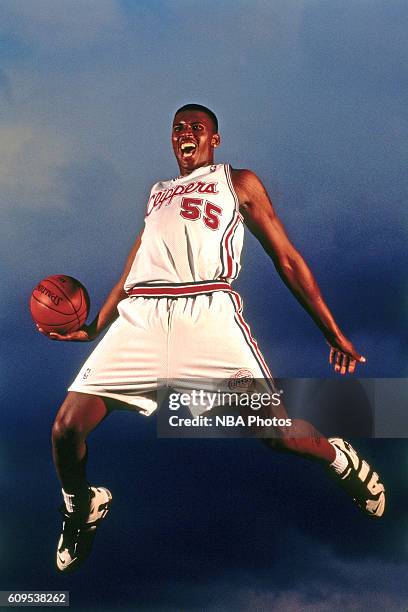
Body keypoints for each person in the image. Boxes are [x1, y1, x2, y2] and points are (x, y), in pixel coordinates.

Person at [39, 103, 385, 573]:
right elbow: (134, 269)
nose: (185, 133)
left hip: (207, 312)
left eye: (195, 127)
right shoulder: (157, 193)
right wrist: (94, 327)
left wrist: (334, 332)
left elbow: (286, 258)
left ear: (214, 139)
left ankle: (340, 459)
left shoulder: (236, 181)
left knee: (277, 434)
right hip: (142, 317)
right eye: (177, 127)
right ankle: (81, 507)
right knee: (66, 428)